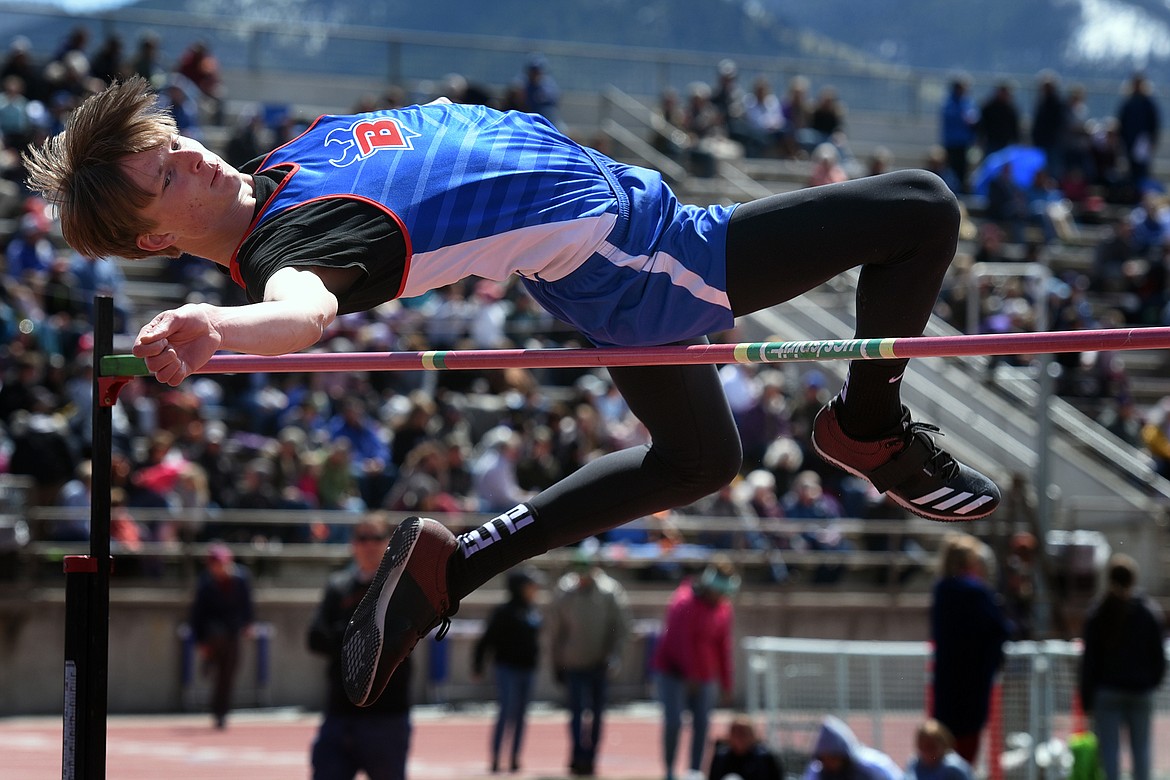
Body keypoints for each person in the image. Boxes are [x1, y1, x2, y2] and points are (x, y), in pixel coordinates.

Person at [23, 76, 1002, 710]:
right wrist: (215, 331)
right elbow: (300, 312)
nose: (188, 153)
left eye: (172, 141)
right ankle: (869, 430)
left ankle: (458, 564)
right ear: (156, 238)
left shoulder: (287, 163)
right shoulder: (296, 245)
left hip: (617, 230)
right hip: (644, 253)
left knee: (705, 460)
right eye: (166, 173)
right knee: (921, 209)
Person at [307, 514, 413, 780]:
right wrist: (363, 638)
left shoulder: (401, 588)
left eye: (375, 538)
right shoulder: (338, 586)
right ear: (352, 544)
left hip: (387, 716)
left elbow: (399, 640)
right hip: (340, 713)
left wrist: (345, 637)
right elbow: (315, 638)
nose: (368, 545)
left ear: (388, 543)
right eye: (362, 538)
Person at [1079, 553, 1166, 780]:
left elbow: (1089, 660)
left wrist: (1086, 698)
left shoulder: (1099, 612)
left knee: (1109, 752)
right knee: (1142, 751)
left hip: (1107, 691)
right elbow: (1158, 656)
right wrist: (1152, 682)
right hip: (1141, 691)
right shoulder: (1148, 612)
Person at [652, 558, 739, 780]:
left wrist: (726, 683)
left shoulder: (723, 609)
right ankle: (670, 770)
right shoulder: (683, 602)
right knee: (674, 722)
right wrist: (690, 674)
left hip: (703, 675)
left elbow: (723, 646)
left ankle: (695, 772)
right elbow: (680, 642)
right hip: (674, 673)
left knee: (702, 725)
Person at [929, 533, 1012, 765]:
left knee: (942, 749)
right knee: (966, 751)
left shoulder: (941, 591)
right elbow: (1000, 628)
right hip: (973, 682)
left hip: (946, 679)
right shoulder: (976, 593)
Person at [549, 548, 632, 776]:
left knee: (596, 714)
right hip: (574, 662)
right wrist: (556, 662)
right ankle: (577, 755)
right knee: (575, 713)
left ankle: (591, 756)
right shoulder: (566, 591)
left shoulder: (610, 591)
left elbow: (621, 627)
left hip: (599, 663)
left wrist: (614, 655)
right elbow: (556, 631)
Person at [472, 566, 543, 774]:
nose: (535, 589)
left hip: (527, 669)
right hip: (507, 668)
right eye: (530, 585)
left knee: (521, 715)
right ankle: (496, 756)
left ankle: (514, 757)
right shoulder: (503, 612)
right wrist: (478, 665)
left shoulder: (532, 610)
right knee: (506, 712)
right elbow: (486, 641)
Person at [189, 541, 255, 729]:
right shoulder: (205, 583)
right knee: (218, 640)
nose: (220, 568)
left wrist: (248, 624)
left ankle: (221, 712)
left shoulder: (240, 579)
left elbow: (247, 604)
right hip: (213, 631)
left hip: (232, 630)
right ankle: (211, 658)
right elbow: (197, 614)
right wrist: (201, 641)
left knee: (228, 673)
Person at [802, 715, 901, 780]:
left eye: (833, 757)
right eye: (825, 758)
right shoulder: (818, 772)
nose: (830, 763)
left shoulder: (871, 766)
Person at [707, 713, 784, 780]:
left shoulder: (765, 758)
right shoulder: (720, 758)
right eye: (735, 732)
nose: (739, 737)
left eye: (743, 733)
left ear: (752, 736)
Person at [903, 719, 974, 780]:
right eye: (922, 746)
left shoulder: (954, 767)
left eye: (932, 747)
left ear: (944, 745)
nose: (927, 751)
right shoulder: (915, 763)